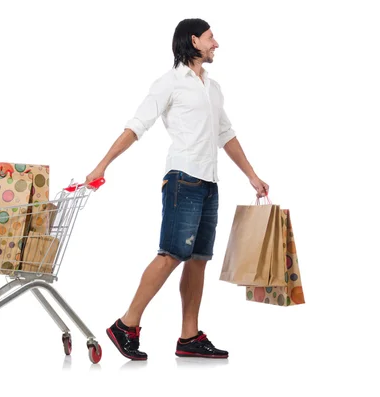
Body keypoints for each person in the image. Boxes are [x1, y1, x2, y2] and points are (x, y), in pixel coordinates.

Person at [85, 18, 269, 361]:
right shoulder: (169, 84)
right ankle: (126, 324)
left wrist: (251, 175)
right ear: (194, 40)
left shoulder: (213, 89)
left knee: (198, 260)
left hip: (209, 183)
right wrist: (102, 165)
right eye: (211, 37)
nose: (217, 44)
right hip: (183, 179)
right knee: (171, 254)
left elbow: (226, 135)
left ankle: (189, 336)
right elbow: (136, 126)